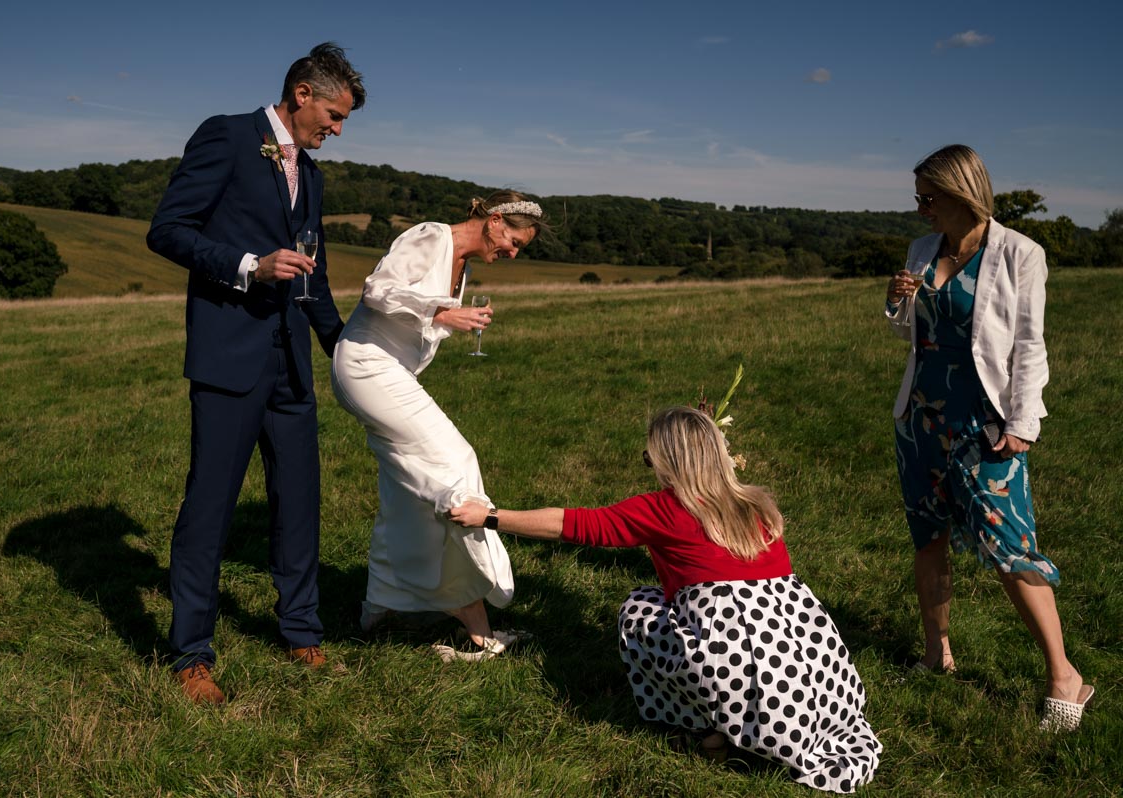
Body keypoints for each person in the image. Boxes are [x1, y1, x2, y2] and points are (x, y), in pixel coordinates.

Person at [448, 406, 882, 793]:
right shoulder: (759, 505)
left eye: (650, 456)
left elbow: (572, 524)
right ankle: (746, 725)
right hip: (808, 672)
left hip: (734, 670)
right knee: (700, 621)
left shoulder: (664, 509)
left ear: (669, 462)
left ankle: (707, 728)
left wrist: (490, 516)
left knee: (639, 608)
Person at [146, 43, 365, 704]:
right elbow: (168, 229)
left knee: (299, 502)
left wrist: (346, 348)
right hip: (229, 354)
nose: (338, 129)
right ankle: (191, 653)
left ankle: (301, 632)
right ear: (302, 93)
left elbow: (314, 274)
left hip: (291, 361)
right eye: (334, 115)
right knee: (209, 508)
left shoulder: (313, 177)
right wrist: (249, 266)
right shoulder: (227, 136)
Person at [885, 144, 1092, 731]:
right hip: (921, 418)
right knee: (928, 538)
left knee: (1010, 548)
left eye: (929, 198)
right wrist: (897, 302)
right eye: (918, 198)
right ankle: (937, 654)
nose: (921, 209)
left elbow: (1029, 347)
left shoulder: (1019, 254)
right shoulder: (922, 250)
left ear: (962, 194)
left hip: (985, 423)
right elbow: (912, 334)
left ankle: (1065, 676)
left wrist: (1024, 424)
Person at [330, 190, 544, 656]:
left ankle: (384, 604)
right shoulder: (430, 237)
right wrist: (442, 312)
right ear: (495, 220)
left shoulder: (463, 267)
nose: (511, 254)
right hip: (367, 365)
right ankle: (476, 603)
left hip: (392, 372)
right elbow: (376, 291)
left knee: (407, 494)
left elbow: (416, 324)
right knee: (456, 463)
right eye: (513, 242)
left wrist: (448, 319)